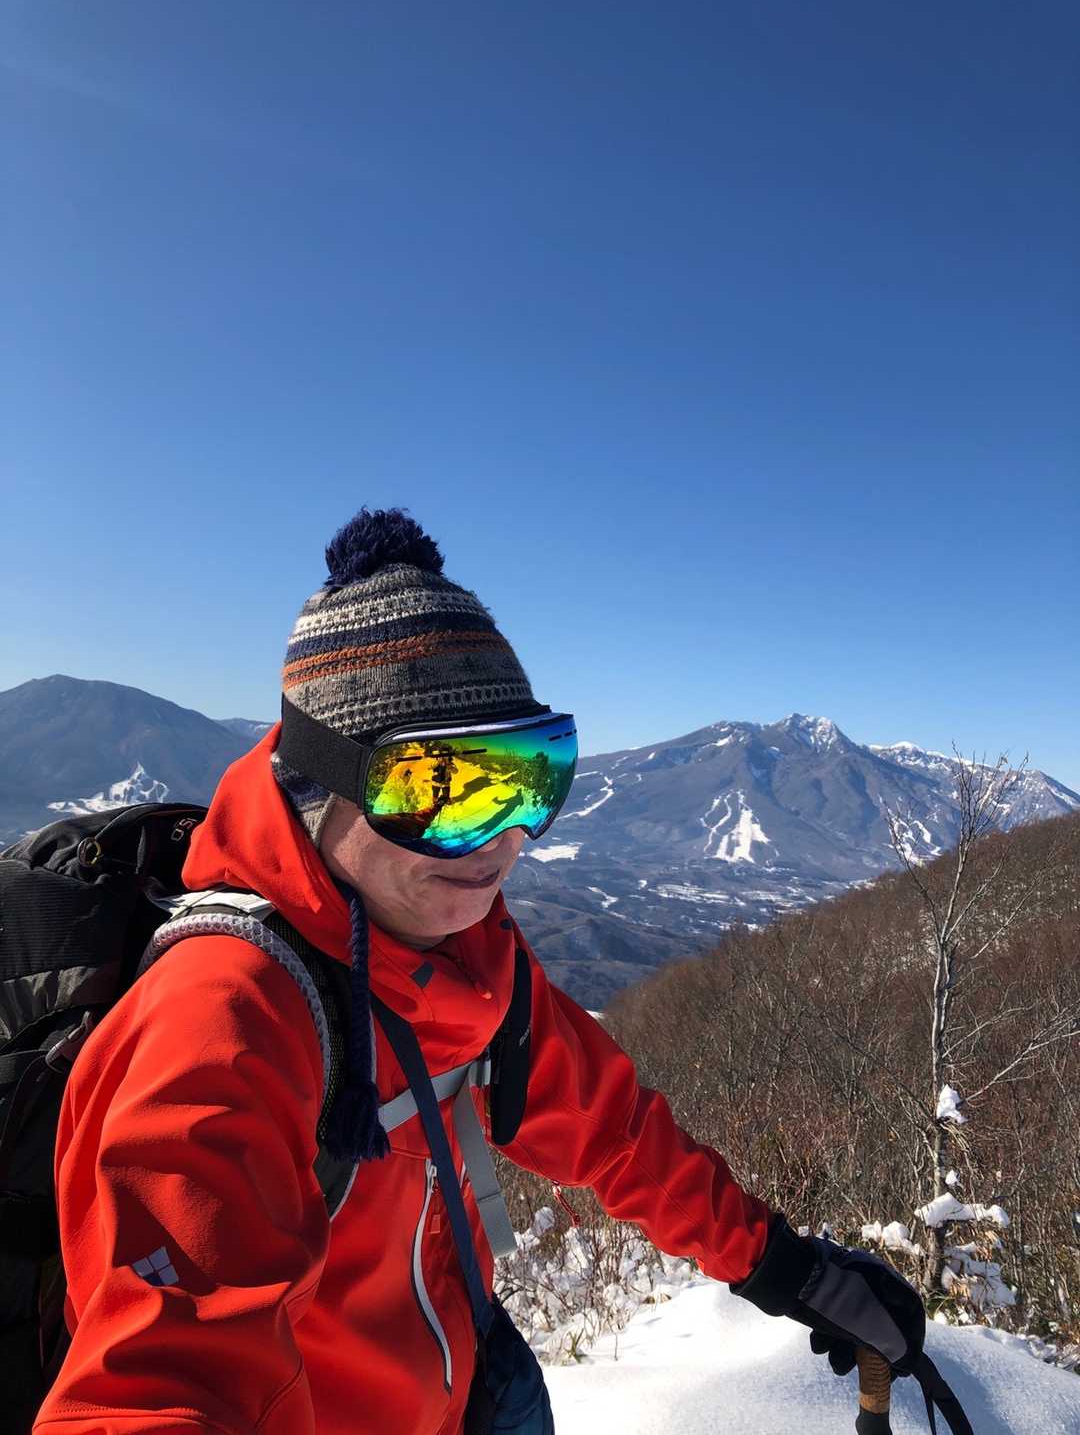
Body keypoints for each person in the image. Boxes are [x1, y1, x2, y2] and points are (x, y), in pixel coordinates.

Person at [32, 508, 924, 1435]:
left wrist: (786, 1268)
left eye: (530, 776)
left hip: (470, 1388)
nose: (502, 839)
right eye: (441, 789)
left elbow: (613, 1130)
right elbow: (163, 1379)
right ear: (321, 784)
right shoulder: (224, 1018)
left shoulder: (467, 957)